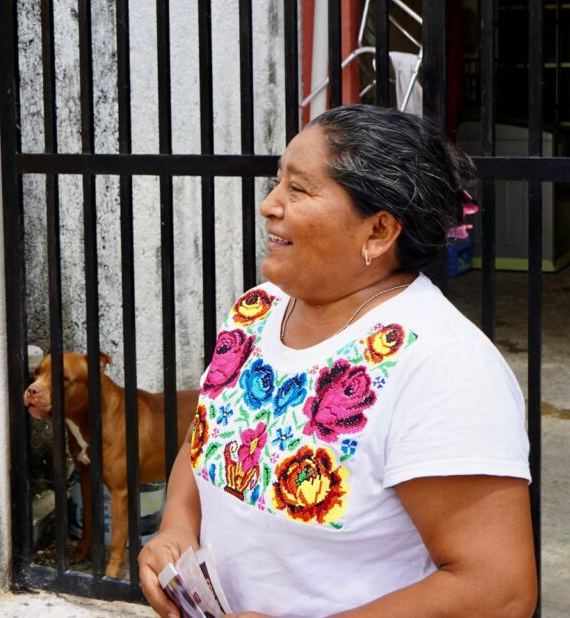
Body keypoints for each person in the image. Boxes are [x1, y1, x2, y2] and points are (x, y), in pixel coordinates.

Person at [139, 104, 536, 617]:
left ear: (378, 232)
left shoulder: (443, 364)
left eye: (298, 189)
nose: (268, 205)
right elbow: (211, 435)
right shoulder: (256, 311)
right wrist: (176, 527)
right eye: (277, 181)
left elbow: (497, 591)